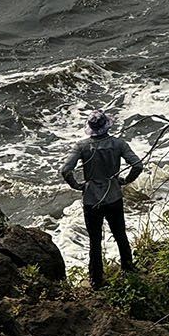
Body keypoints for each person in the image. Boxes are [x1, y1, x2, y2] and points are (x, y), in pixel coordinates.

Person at [60, 110, 143, 289]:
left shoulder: (81, 146)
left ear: (90, 129)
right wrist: (125, 180)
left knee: (95, 240)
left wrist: (77, 185)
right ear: (107, 126)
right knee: (120, 234)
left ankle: (96, 280)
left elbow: (66, 170)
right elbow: (137, 165)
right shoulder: (118, 144)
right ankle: (128, 268)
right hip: (113, 196)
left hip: (91, 200)